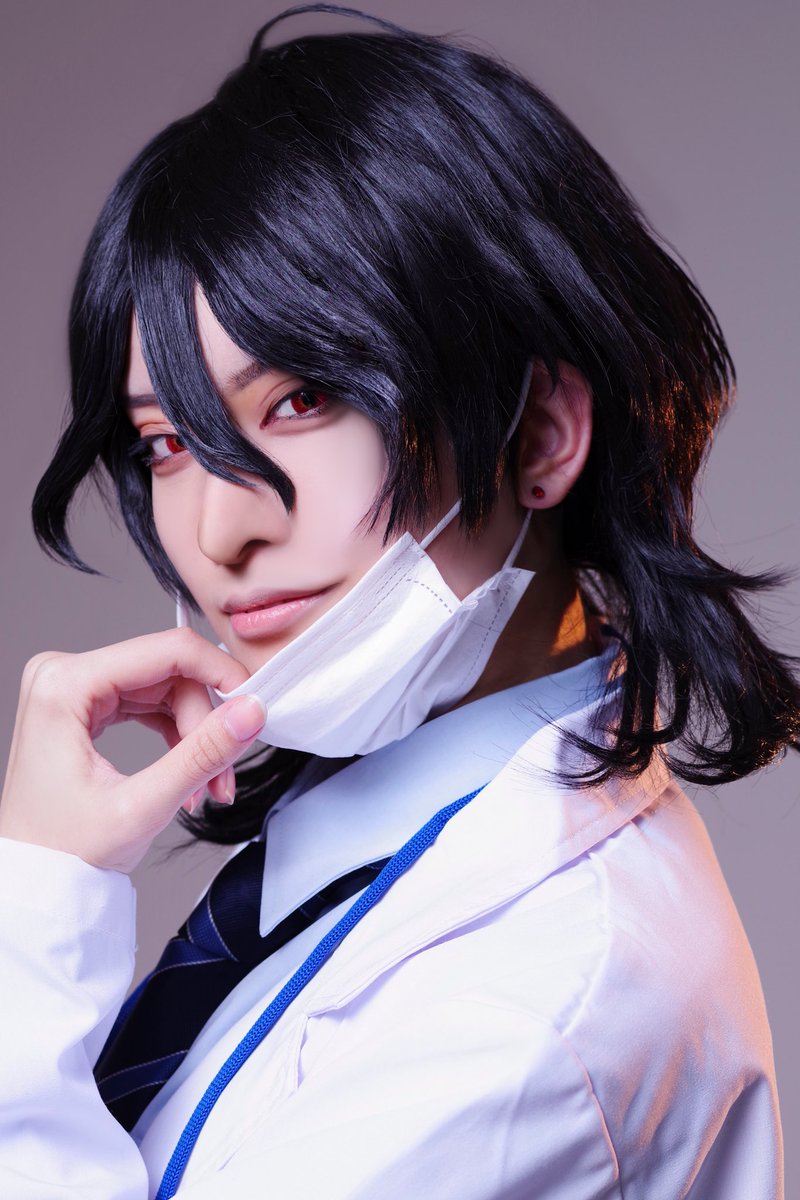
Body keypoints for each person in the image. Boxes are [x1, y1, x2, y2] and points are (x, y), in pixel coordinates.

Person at [0, 5, 797, 1197]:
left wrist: (32, 913)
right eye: (168, 442)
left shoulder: (521, 1018)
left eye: (300, 401)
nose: (217, 531)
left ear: (540, 434)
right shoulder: (371, 829)